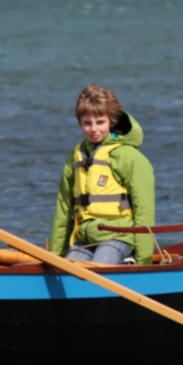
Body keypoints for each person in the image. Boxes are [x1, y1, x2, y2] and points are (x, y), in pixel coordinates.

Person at [49, 84, 156, 265]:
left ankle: (126, 261)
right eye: (87, 123)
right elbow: (64, 209)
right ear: (80, 123)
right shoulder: (76, 157)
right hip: (84, 239)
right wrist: (55, 255)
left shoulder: (128, 157)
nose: (94, 129)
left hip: (119, 236)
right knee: (69, 272)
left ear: (111, 121)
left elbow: (144, 210)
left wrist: (144, 260)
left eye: (100, 122)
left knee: (100, 267)